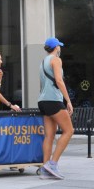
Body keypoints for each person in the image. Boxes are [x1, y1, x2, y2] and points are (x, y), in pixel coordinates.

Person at [37, 37, 74, 180]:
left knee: (49, 136)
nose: (60, 48)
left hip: (43, 101)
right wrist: (68, 100)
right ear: (56, 47)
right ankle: (52, 164)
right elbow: (59, 81)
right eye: (59, 46)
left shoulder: (42, 62)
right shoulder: (56, 60)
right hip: (53, 100)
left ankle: (45, 169)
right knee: (69, 130)